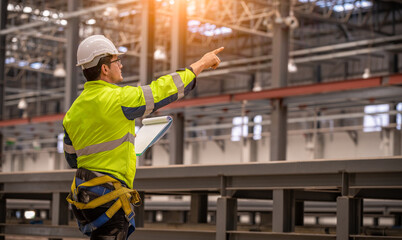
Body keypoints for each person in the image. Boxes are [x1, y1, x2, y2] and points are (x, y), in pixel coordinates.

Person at [63, 35, 223, 240]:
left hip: (84, 198)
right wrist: (201, 64)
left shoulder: (72, 112)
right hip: (108, 197)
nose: (120, 65)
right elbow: (162, 90)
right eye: (116, 61)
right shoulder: (117, 99)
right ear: (104, 68)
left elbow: (72, 159)